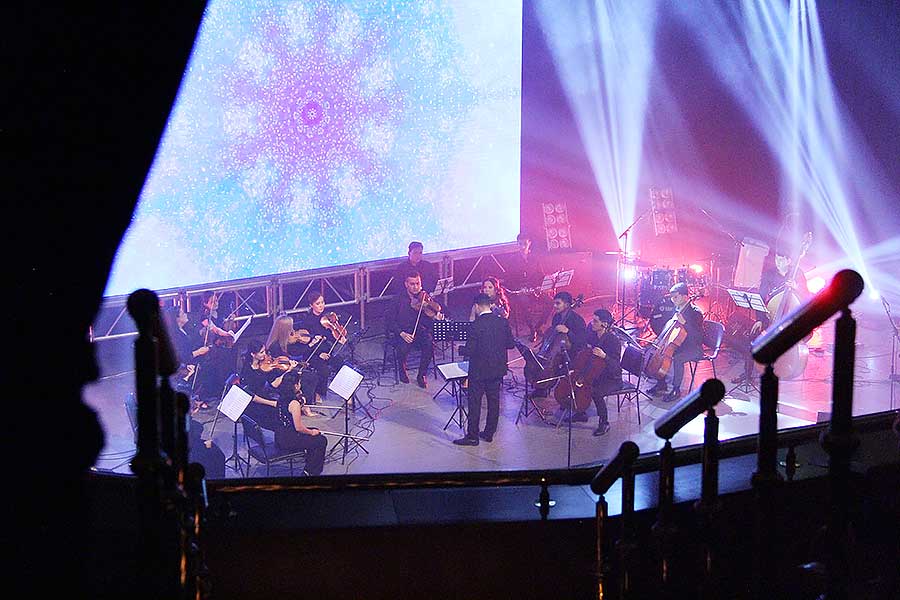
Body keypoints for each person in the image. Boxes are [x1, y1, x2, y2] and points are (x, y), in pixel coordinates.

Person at [453, 293, 517, 446]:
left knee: (475, 403)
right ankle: (489, 433)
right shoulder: (502, 322)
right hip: (497, 369)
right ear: (490, 306)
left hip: (479, 371)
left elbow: (471, 350)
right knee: (494, 402)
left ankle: (472, 437)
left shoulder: (475, 325)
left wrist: (459, 349)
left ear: (476, 306)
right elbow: (510, 344)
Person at [567, 309, 622, 436]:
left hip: (612, 378)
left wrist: (604, 356)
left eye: (595, 321)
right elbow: (584, 349)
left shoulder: (613, 341)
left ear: (604, 324)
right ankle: (580, 412)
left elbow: (615, 366)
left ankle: (604, 423)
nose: (592, 323)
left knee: (596, 392)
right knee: (578, 384)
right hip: (595, 373)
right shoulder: (592, 335)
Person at [648, 282, 704, 402]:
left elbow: (698, 338)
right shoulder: (677, 309)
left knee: (678, 358)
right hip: (680, 344)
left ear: (685, 297)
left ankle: (676, 390)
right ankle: (661, 383)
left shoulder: (696, 313)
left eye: (675, 297)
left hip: (693, 347)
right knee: (663, 354)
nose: (672, 300)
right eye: (672, 297)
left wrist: (685, 324)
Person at [386, 271, 443, 389]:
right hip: (403, 331)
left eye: (418, 283)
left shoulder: (424, 297)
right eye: (412, 284)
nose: (416, 287)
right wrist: (401, 333)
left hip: (419, 331)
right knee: (402, 348)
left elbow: (434, 311)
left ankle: (421, 375)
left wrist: (434, 315)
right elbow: (390, 321)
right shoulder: (397, 299)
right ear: (406, 284)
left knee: (429, 345)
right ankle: (402, 370)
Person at [529, 291, 587, 400]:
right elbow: (553, 336)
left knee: (554, 368)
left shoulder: (578, 320)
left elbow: (581, 342)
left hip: (571, 353)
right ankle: (541, 389)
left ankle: (563, 393)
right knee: (541, 363)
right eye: (554, 303)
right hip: (557, 351)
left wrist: (568, 331)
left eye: (558, 303)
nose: (554, 306)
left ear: (567, 304)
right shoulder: (556, 317)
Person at [272, 371, 328, 476]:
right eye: (299, 382)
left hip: (279, 436)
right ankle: (310, 471)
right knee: (321, 440)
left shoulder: (281, 398)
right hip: (288, 440)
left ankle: (310, 461)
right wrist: (311, 432)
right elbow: (298, 428)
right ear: (295, 385)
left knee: (314, 430)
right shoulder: (294, 403)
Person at [750, 245, 811, 336]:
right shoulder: (768, 274)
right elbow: (761, 297)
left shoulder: (797, 273)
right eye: (776, 259)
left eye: (781, 260)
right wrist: (759, 319)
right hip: (773, 314)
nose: (777, 263)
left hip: (792, 316)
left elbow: (807, 296)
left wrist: (796, 287)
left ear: (788, 261)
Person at [265, 314, 318, 416]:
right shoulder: (275, 346)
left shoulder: (282, 342)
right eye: (290, 328)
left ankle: (305, 403)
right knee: (310, 376)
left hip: (285, 368)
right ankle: (305, 406)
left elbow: (289, 357)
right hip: (279, 373)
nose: (293, 330)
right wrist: (293, 365)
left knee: (310, 372)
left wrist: (297, 362)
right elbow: (281, 365)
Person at [295, 292, 338, 405]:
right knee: (324, 370)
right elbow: (306, 344)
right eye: (318, 303)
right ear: (311, 305)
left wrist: (338, 336)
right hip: (312, 353)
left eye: (322, 302)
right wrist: (319, 354)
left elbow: (330, 337)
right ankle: (318, 393)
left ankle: (345, 392)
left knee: (340, 363)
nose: (321, 305)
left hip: (327, 350)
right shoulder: (307, 322)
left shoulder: (327, 318)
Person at [504, 233, 549, 341]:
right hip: (519, 290)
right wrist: (519, 289)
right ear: (517, 244)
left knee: (550, 302)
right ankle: (532, 329)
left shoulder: (535, 258)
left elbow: (541, 275)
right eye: (520, 244)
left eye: (525, 244)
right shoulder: (512, 260)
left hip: (533, 289)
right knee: (524, 303)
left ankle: (538, 326)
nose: (522, 247)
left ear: (529, 243)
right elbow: (508, 280)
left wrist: (541, 286)